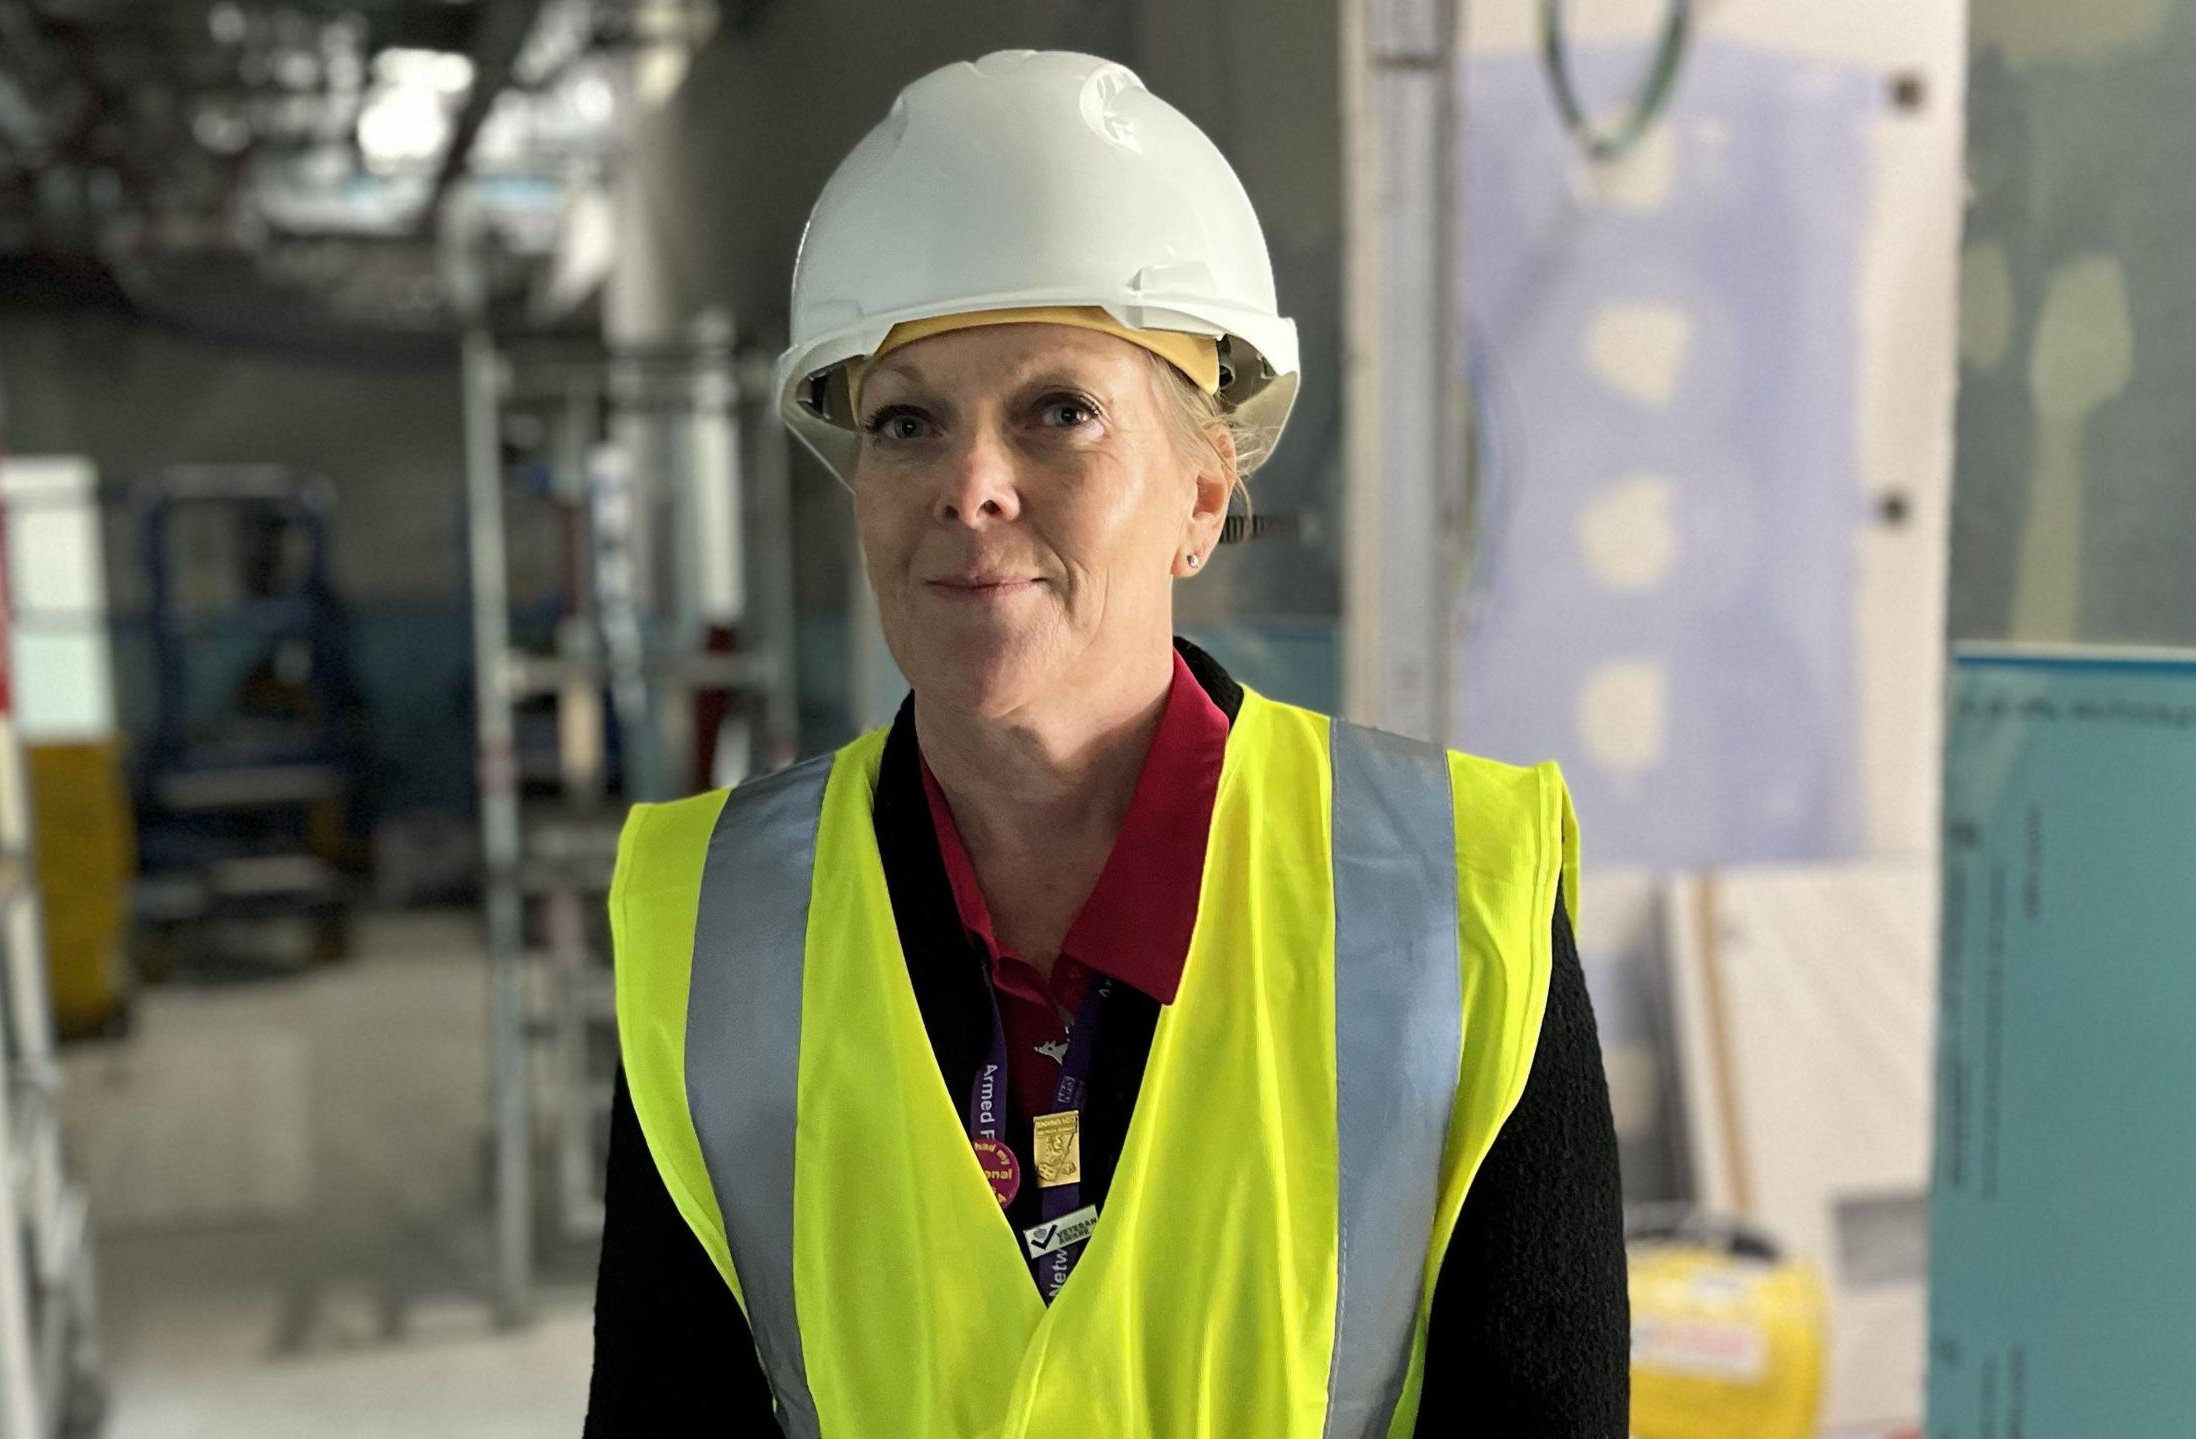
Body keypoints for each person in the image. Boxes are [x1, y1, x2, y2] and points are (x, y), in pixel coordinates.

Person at [586, 49, 1626, 1438]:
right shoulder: (711, 923)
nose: (970, 489)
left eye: (1058, 412)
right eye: (908, 424)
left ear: (1204, 493)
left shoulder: (1456, 898)